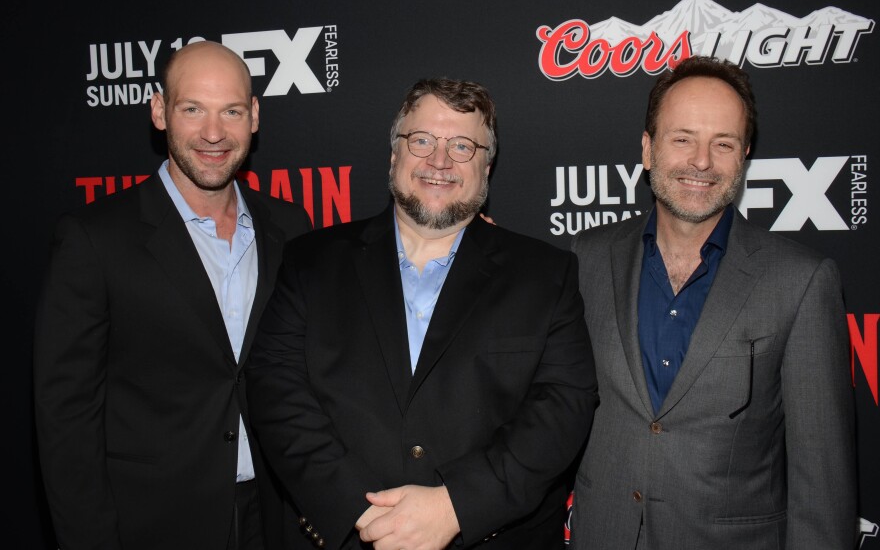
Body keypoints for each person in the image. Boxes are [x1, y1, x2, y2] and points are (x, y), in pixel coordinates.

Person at [245, 77, 599, 550]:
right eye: (422, 141)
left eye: (462, 146)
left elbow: (563, 409)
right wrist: (358, 511)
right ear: (394, 155)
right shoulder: (311, 261)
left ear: (487, 168)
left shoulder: (546, 274)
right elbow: (275, 391)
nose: (439, 160)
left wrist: (457, 506)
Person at [33, 41, 316, 550]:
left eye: (231, 111)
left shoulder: (290, 228)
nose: (213, 133)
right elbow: (66, 421)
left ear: (253, 116)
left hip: (275, 518)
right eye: (193, 109)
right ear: (160, 111)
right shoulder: (95, 238)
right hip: (153, 525)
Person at [568, 55, 857, 549]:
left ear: (743, 155)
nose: (701, 162)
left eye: (722, 144)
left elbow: (822, 482)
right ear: (647, 149)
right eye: (682, 139)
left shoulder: (801, 280)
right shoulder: (584, 260)